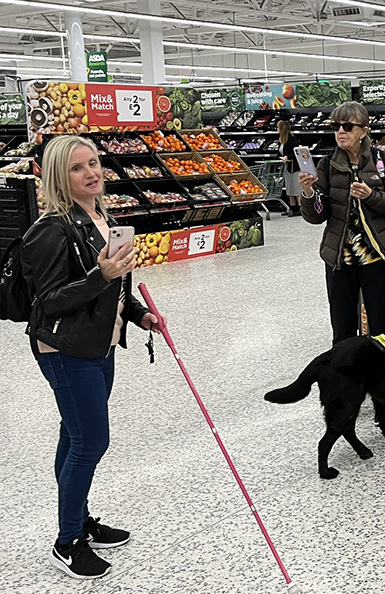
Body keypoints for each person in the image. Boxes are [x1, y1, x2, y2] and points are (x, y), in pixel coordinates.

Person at [21, 135, 164, 579]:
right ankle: (67, 542)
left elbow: (119, 284)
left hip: (100, 343)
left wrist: (139, 314)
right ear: (60, 178)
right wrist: (98, 276)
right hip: (65, 349)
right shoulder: (51, 228)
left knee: (76, 434)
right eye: (78, 168)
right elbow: (49, 301)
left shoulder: (103, 218)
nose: (92, 173)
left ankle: (80, 520)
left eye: (95, 163)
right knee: (90, 441)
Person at [297, 101, 385, 345]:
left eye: (347, 126)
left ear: (364, 131)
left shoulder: (384, 160)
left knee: (382, 328)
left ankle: (383, 377)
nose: (340, 131)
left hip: (377, 258)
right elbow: (316, 216)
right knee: (343, 330)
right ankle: (347, 380)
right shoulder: (326, 165)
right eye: (335, 126)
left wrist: (371, 195)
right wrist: (308, 194)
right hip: (340, 260)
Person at [278, 119, 301, 215]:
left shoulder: (292, 139)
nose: (276, 129)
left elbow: (296, 152)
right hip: (286, 167)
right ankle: (291, 208)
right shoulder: (281, 140)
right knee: (289, 188)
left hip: (294, 167)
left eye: (278, 127)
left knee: (296, 187)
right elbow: (279, 152)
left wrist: (288, 157)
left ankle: (299, 208)